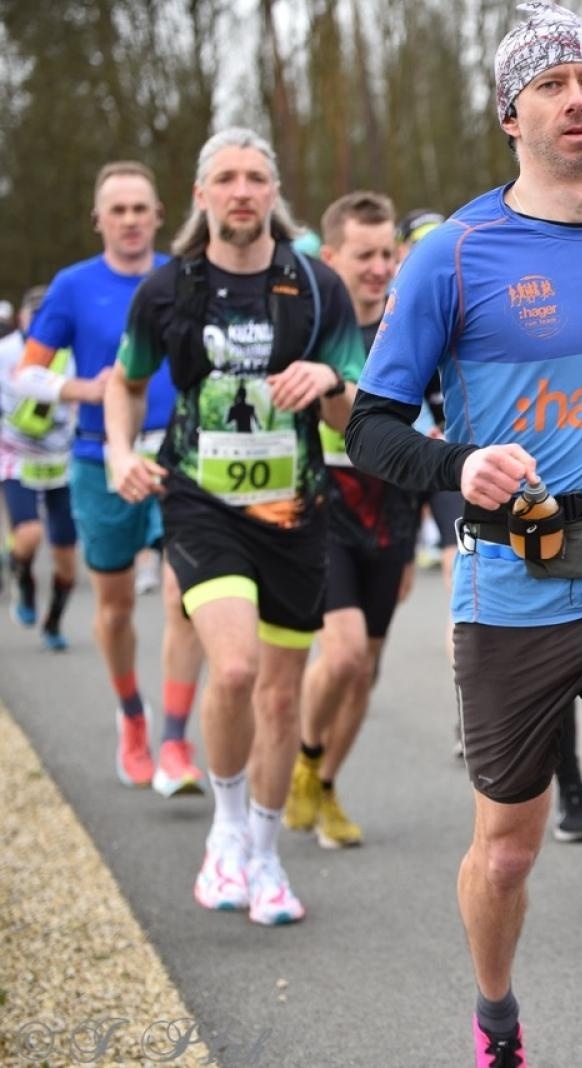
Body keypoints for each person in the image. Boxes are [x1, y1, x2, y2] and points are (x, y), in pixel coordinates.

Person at [342, 5, 582, 1063]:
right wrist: (458, 464)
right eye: (551, 85)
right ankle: (497, 1011)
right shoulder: (453, 255)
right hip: (513, 585)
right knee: (506, 853)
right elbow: (373, 426)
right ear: (510, 113)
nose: (576, 100)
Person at [104, 127, 366, 927]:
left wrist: (329, 377)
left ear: (273, 192)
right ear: (202, 195)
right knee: (236, 670)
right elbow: (126, 381)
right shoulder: (169, 289)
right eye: (227, 178)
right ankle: (223, 831)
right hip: (200, 503)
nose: (243, 191)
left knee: (283, 702)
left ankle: (263, 852)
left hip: (294, 510)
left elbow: (361, 416)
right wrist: (119, 452)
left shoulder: (318, 288)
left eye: (257, 177)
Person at [18, 160, 206, 796]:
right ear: (99, 219)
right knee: (116, 606)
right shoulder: (73, 286)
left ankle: (176, 741)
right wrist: (83, 387)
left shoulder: (183, 277)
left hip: (180, 459)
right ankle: (132, 717)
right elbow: (26, 374)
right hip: (101, 460)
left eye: (140, 209)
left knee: (186, 594)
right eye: (117, 210)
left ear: (159, 217)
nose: (129, 221)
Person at [284, 191, 415, 849]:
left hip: (390, 512)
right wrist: (336, 387)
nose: (379, 267)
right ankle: (305, 757)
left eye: (388, 253)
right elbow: (347, 419)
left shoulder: (410, 326)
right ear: (330, 257)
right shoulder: (308, 326)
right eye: (364, 255)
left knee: (366, 664)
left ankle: (327, 783)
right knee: (339, 653)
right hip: (324, 505)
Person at [2, 287, 78, 651]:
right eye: (34, 316)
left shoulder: (71, 352)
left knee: (67, 565)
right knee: (29, 534)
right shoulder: (6, 354)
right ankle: (23, 581)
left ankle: (53, 623)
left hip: (60, 462)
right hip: (16, 457)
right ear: (21, 318)